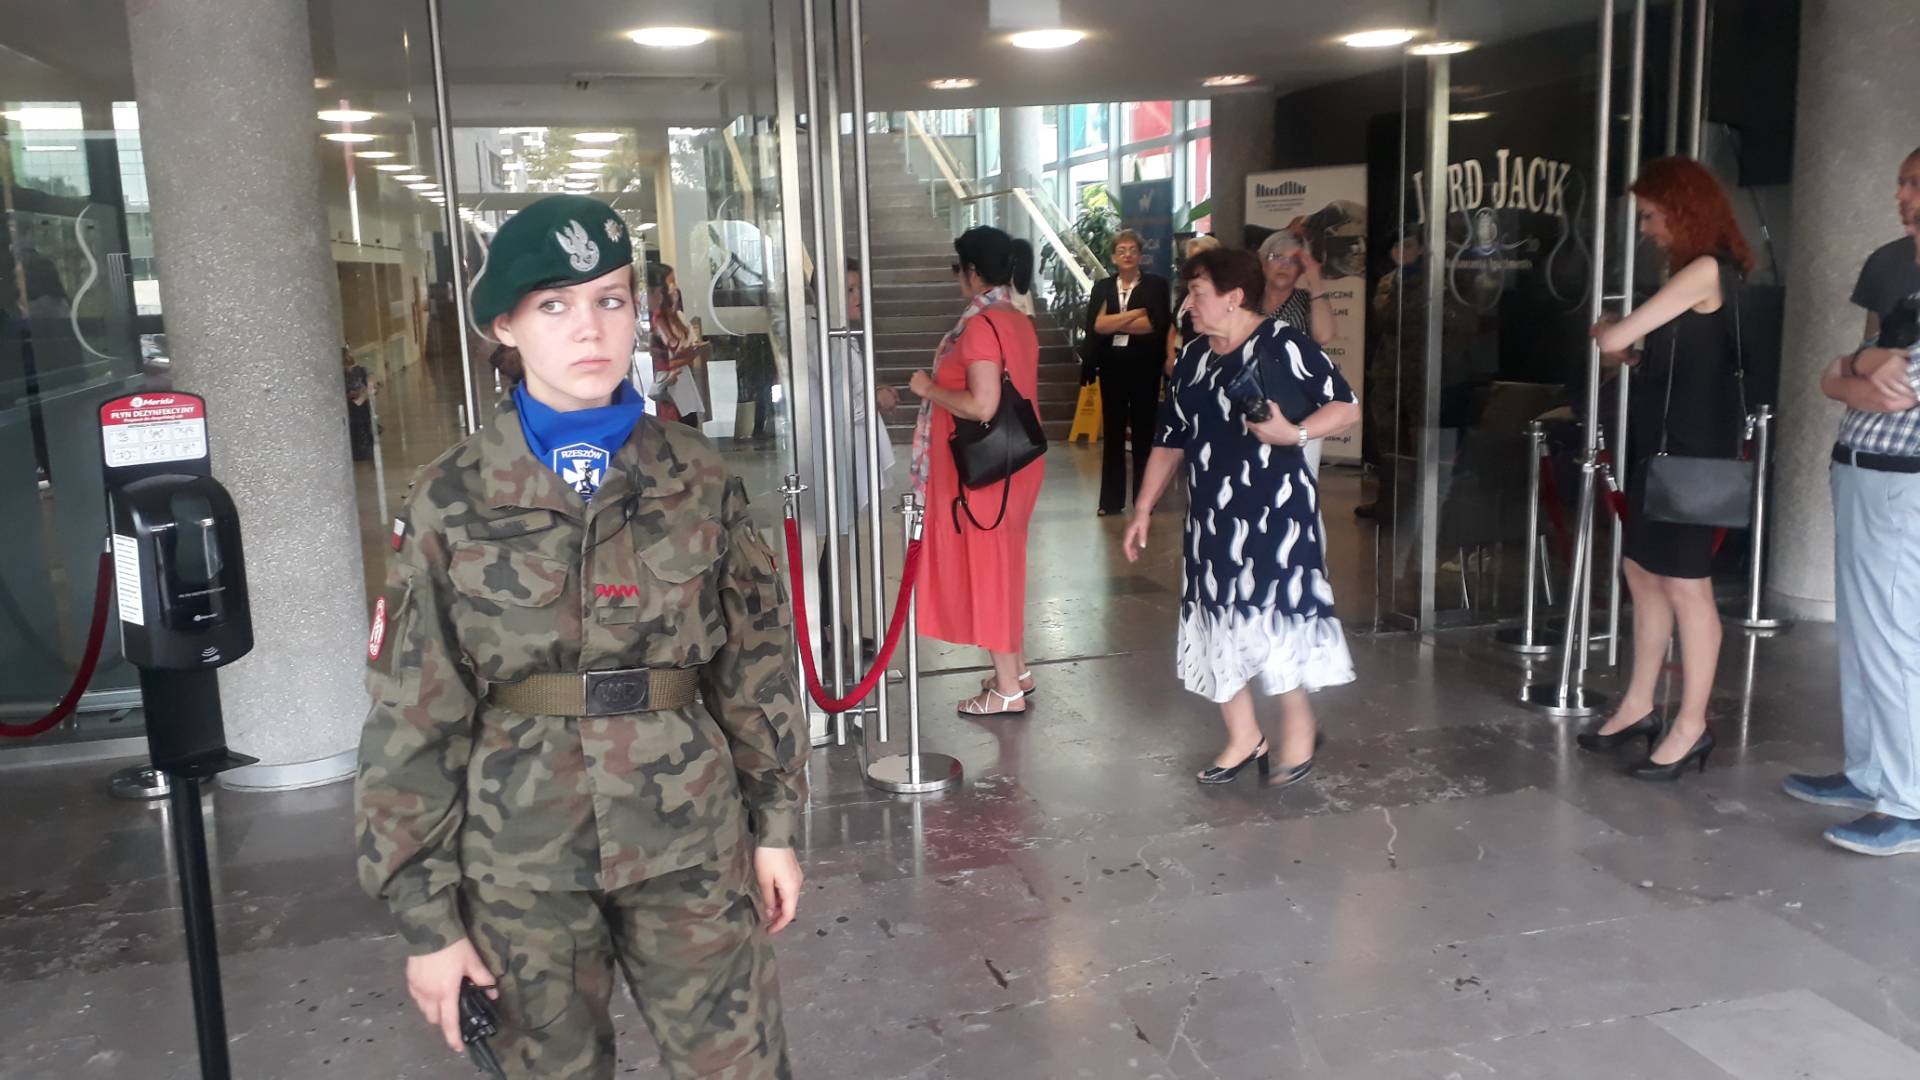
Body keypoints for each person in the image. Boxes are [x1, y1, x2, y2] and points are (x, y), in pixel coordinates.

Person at [356, 195, 807, 1079]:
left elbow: (754, 664)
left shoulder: (698, 475)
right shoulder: (451, 496)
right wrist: (427, 921)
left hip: (689, 835)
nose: (590, 329)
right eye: (554, 305)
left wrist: (776, 824)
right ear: (506, 326)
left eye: (610, 299)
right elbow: (413, 708)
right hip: (519, 858)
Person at [1123, 247, 1360, 786]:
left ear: (1233, 297)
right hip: (1212, 517)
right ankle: (1244, 735)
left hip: (1276, 515)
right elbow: (1170, 436)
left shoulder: (1281, 344)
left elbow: (1346, 405)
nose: (1188, 305)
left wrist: (1294, 433)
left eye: (1198, 293)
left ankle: (1298, 725)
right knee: (1215, 618)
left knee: (1273, 616)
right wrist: (1143, 507)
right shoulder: (1193, 358)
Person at [1581, 157, 1753, 781]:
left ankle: (1692, 724)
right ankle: (1638, 703)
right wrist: (1632, 349)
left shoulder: (1706, 269)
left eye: (1651, 216)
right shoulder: (1697, 272)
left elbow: (1613, 337)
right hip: (1664, 448)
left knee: (1686, 586)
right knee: (1643, 572)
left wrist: (1610, 330)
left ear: (1682, 211)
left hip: (1693, 454)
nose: (1647, 229)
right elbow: (1664, 352)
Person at [1781, 147, 1920, 857]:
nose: (1902, 196)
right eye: (1900, 182)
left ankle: (1910, 801)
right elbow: (1843, 375)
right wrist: (1855, 368)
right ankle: (1870, 773)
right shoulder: (1905, 283)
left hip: (1901, 481)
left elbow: (1893, 390)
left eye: (1915, 184)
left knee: (1895, 639)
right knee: (1863, 635)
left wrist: (1849, 371)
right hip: (1862, 471)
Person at [907, 226, 1046, 714]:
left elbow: (982, 405)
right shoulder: (1016, 319)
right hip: (1013, 462)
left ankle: (1006, 689)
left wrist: (928, 389)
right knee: (1004, 564)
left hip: (983, 468)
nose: (956, 277)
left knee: (988, 568)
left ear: (971, 271)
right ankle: (1017, 670)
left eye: (957, 268)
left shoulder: (981, 327)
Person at [809, 258, 899, 669]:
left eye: (858, 288)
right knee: (826, 545)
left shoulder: (839, 333)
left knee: (834, 545)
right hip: (830, 453)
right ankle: (825, 627)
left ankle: (833, 624)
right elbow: (838, 402)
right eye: (848, 290)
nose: (858, 297)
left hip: (845, 451)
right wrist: (874, 400)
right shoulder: (819, 335)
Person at [1082, 229, 1173, 516]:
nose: (1127, 255)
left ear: (1141, 255)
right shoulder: (1102, 287)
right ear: (1113, 257)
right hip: (1112, 367)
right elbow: (1097, 326)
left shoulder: (1156, 285)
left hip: (1145, 367)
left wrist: (1113, 321)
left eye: (1133, 249)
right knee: (1113, 433)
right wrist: (1135, 314)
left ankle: (1145, 499)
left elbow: (1153, 325)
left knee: (1144, 434)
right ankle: (1110, 502)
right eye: (1121, 250)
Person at [646, 262, 706, 428]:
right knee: (674, 431)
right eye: (670, 283)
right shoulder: (654, 326)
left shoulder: (678, 318)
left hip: (683, 387)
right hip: (668, 391)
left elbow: (692, 346)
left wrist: (686, 356)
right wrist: (683, 358)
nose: (675, 289)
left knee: (689, 426)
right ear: (655, 291)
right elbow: (661, 364)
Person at [1256, 229, 1337, 347]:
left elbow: (1324, 336)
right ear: (1263, 263)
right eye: (1278, 257)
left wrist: (1316, 282)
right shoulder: (1248, 299)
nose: (1284, 266)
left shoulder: (1307, 301)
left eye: (1294, 261)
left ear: (1301, 269)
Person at [1168, 235, 1221, 376]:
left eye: (1198, 258)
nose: (1193, 264)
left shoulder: (1220, 293)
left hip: (1206, 363)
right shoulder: (1187, 290)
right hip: (1180, 356)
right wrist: (1170, 356)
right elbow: (1173, 325)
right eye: (1190, 259)